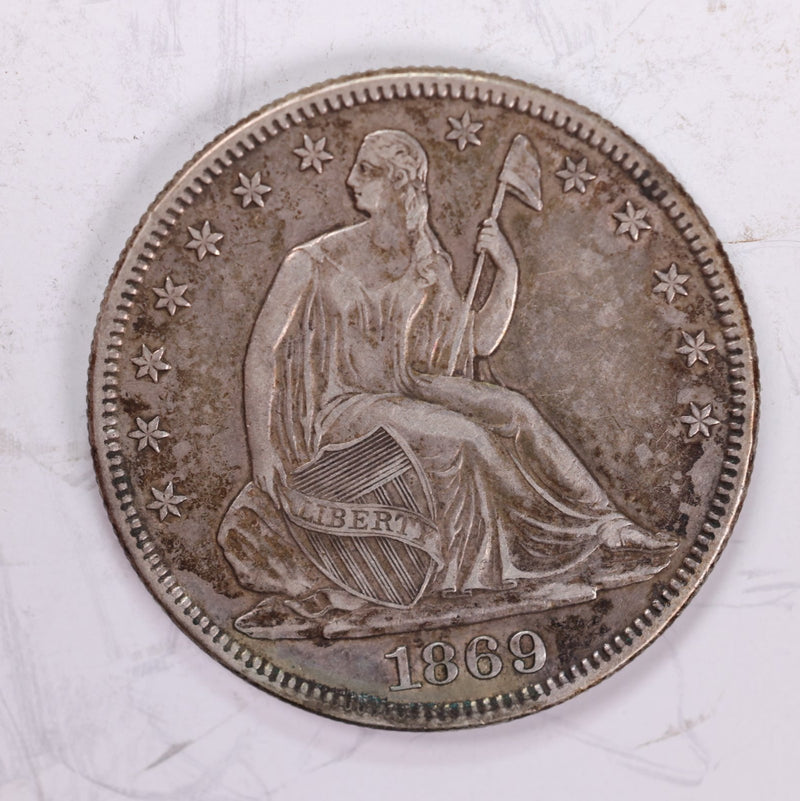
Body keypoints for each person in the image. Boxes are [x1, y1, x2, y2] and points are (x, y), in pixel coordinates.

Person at [219, 129, 675, 634]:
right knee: (468, 436)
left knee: (516, 411)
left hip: (408, 385)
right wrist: (263, 451)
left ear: (399, 185)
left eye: (366, 170)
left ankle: (607, 525)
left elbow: (476, 342)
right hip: (340, 407)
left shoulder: (425, 257)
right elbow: (263, 353)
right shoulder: (310, 262)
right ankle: (561, 545)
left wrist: (507, 271)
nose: (350, 181)